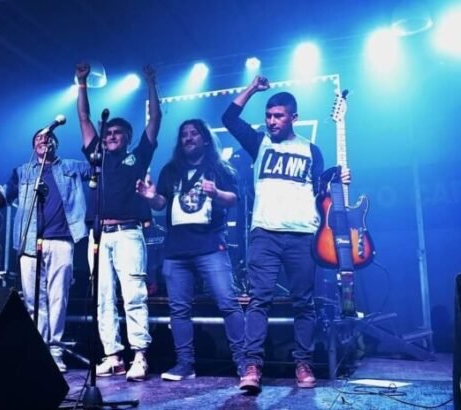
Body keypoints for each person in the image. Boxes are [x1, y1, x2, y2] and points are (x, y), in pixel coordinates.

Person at [221, 75, 350, 394]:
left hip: (302, 234)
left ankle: (303, 363)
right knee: (259, 301)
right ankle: (252, 366)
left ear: (294, 117)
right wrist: (252, 89)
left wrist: (337, 179)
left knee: (304, 303)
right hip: (265, 233)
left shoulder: (311, 150)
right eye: (268, 116)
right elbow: (229, 118)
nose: (271, 121)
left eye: (278, 116)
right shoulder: (259, 142)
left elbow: (320, 192)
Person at [136, 119, 246, 381]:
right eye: (184, 134)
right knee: (179, 309)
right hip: (176, 249)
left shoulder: (219, 167)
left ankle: (245, 363)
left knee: (228, 303)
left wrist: (216, 192)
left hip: (210, 245)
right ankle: (185, 364)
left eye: (194, 133)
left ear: (205, 139)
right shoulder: (171, 170)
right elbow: (161, 203)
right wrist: (151, 197)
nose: (188, 138)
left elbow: (233, 199)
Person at [0, 129, 91, 373]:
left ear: (56, 143)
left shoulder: (71, 166)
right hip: (29, 243)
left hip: (61, 241)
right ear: (33, 147)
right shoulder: (22, 172)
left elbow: (98, 166)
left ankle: (55, 352)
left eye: (48, 137)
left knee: (58, 299)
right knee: (33, 301)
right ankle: (40, 352)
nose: (43, 140)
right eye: (38, 138)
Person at [75, 62, 162, 382]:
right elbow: (84, 118)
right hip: (99, 234)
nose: (111, 136)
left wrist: (151, 83)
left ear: (127, 137)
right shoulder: (96, 156)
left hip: (128, 232)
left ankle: (140, 355)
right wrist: (81, 83)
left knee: (133, 294)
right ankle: (113, 356)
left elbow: (155, 119)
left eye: (117, 133)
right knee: (102, 298)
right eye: (108, 133)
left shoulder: (138, 156)